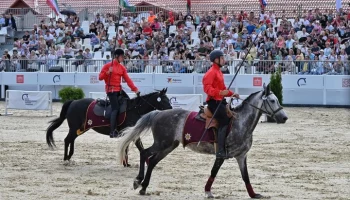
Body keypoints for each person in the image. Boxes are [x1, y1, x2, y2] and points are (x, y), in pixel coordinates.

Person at [202, 50, 239, 159]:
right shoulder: (211, 72)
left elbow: (223, 89)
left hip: (221, 101)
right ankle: (220, 151)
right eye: (222, 58)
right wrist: (218, 93)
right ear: (216, 60)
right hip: (213, 102)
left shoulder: (219, 72)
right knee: (225, 120)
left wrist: (232, 94)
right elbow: (207, 88)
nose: (224, 60)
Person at [99, 49, 139, 138]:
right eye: (122, 56)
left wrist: (135, 89)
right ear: (117, 56)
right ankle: (113, 131)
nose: (123, 58)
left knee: (128, 103)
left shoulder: (122, 68)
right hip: (111, 90)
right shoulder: (107, 66)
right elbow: (100, 77)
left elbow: (128, 80)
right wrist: (107, 72)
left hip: (119, 90)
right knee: (115, 109)